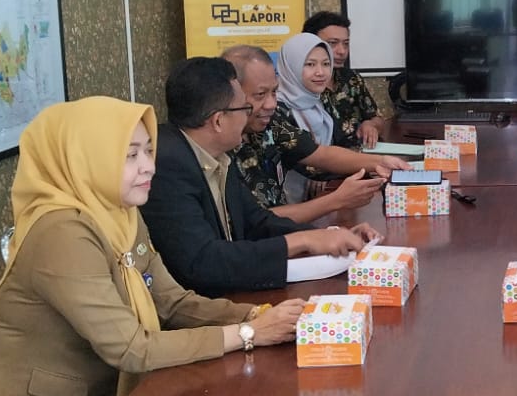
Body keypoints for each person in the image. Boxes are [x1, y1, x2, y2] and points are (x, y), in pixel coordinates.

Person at [0, 97, 307, 396]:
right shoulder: (62, 232)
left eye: (149, 151)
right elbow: (131, 348)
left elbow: (171, 302)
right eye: (130, 155)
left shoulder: (119, 212)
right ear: (86, 160)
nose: (149, 167)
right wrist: (249, 334)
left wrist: (254, 315)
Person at [142, 56, 374, 297]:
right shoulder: (166, 166)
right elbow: (203, 261)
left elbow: (256, 222)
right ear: (218, 121)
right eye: (244, 109)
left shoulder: (216, 153)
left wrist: (328, 235)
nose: (248, 116)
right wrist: (302, 241)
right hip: (198, 307)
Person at [222, 44, 400, 220]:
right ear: (232, 95)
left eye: (274, 92)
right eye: (260, 95)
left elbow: (319, 154)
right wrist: (336, 200)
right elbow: (255, 221)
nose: (271, 104)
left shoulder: (271, 123)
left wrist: (380, 162)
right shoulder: (221, 149)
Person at [304, 10, 381, 149]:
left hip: (363, 154)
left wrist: (371, 124)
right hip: (327, 159)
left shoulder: (351, 78)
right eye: (333, 43)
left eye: (346, 44)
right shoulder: (301, 86)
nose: (342, 51)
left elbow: (378, 118)